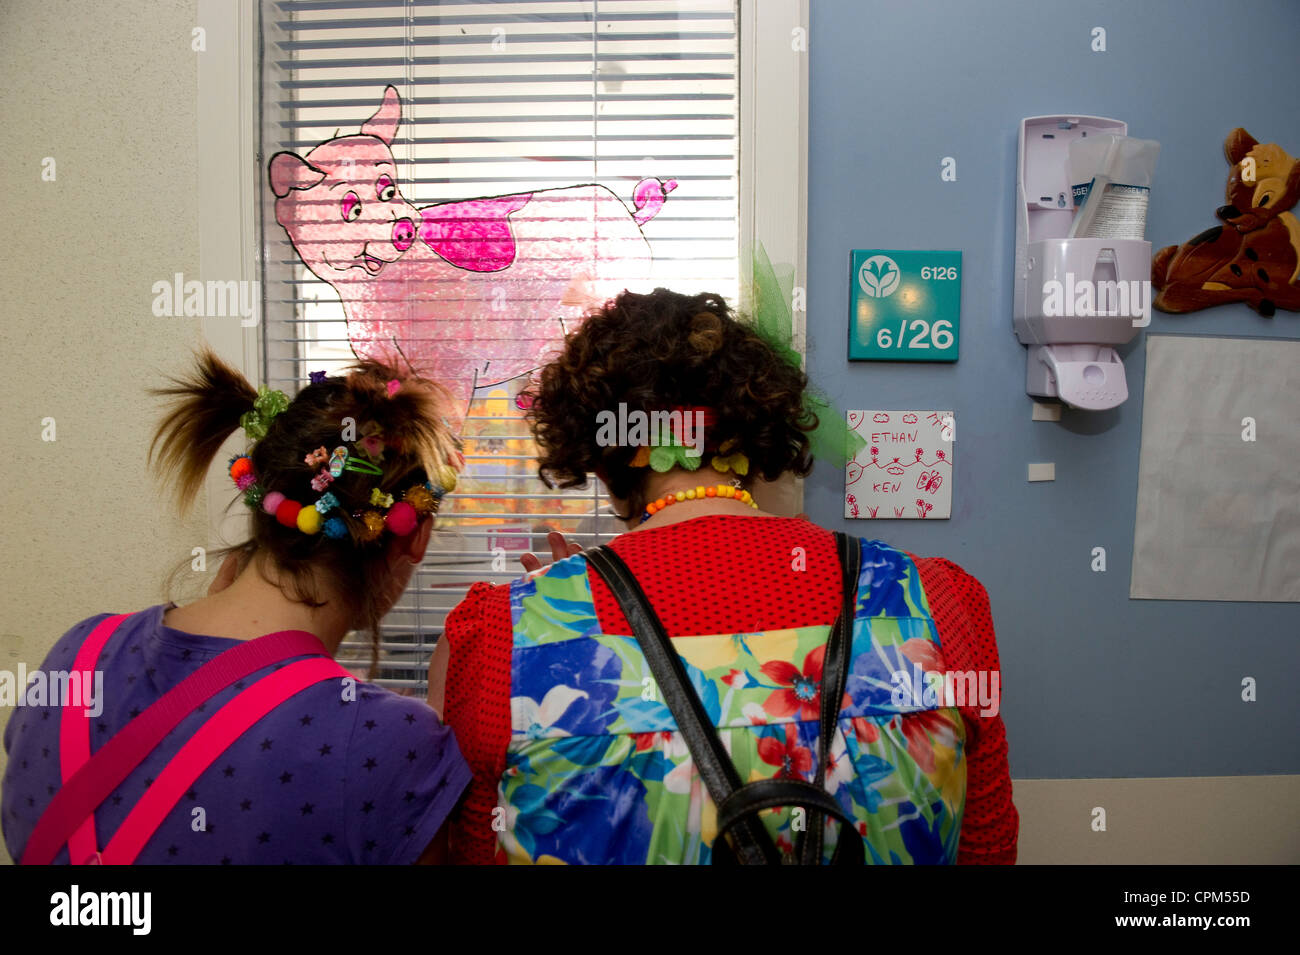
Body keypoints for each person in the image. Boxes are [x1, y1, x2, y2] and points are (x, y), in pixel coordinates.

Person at [429, 288, 1018, 864]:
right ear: (755, 433)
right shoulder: (940, 600)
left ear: (603, 457)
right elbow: (988, 847)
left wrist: (557, 602)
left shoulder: (502, 636)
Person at [3, 350, 470, 864]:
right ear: (415, 535)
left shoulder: (78, 653)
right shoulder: (388, 746)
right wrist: (457, 728)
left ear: (265, 502)